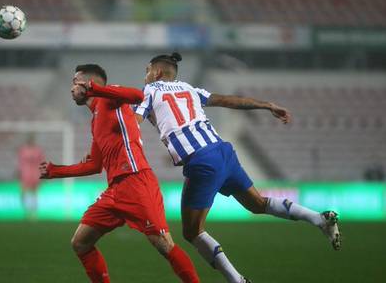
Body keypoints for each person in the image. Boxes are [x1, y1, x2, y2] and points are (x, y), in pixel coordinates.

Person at [134, 52, 341, 283]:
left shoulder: (149, 91)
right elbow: (226, 100)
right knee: (257, 204)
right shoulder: (190, 89)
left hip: (202, 161)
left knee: (192, 232)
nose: (145, 77)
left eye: (147, 71)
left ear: (158, 72)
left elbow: (134, 123)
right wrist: (266, 105)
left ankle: (237, 281)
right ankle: (319, 219)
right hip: (223, 152)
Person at [39, 64, 200, 283]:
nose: (71, 88)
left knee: (164, 244)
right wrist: (55, 171)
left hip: (136, 180)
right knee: (80, 242)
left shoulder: (110, 97)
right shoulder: (95, 120)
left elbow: (138, 95)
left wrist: (95, 89)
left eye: (75, 81)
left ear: (88, 83)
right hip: (115, 190)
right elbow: (94, 166)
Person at [17, 133, 44, 219]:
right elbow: (20, 162)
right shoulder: (23, 150)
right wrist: (18, 171)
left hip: (35, 173)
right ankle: (26, 210)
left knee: (34, 193)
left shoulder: (38, 150)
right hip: (25, 173)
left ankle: (33, 213)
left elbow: (41, 162)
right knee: (23, 192)